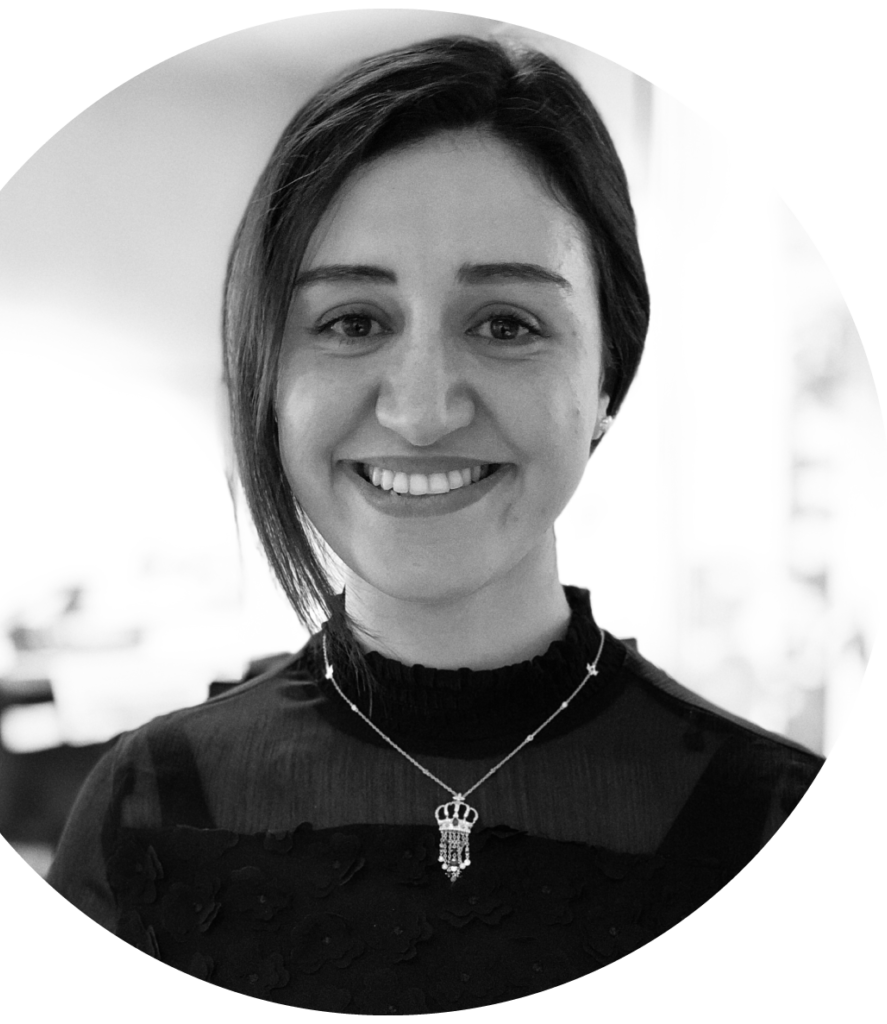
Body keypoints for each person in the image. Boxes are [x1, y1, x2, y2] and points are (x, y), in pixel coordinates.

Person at [47, 35, 824, 1010]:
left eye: (505, 324)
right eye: (353, 322)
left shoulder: (768, 812)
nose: (421, 411)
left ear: (605, 385)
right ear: (268, 381)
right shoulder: (145, 809)